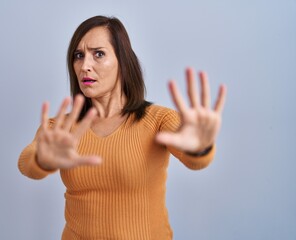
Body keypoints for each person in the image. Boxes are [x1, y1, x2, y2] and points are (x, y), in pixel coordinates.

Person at [18, 15, 226, 239]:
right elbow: (27, 162)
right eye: (79, 56)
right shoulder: (61, 128)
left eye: (99, 54)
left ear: (123, 62)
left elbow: (197, 160)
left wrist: (200, 148)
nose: (85, 66)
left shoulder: (158, 120)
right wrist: (41, 160)